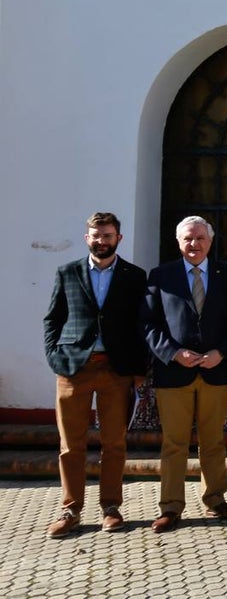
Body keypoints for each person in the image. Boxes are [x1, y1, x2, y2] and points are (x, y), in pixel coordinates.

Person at [42, 212, 148, 538]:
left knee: (114, 443)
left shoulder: (134, 276)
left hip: (116, 370)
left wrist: (139, 370)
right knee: (70, 445)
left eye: (108, 235)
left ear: (119, 238)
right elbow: (53, 319)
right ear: (87, 238)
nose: (102, 241)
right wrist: (55, 358)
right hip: (74, 369)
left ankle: (111, 508)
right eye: (96, 235)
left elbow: (142, 325)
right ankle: (70, 509)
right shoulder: (67, 272)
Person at [141, 216, 227, 533]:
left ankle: (215, 499)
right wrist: (173, 353)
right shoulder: (161, 276)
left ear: (210, 241)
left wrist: (222, 352)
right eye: (188, 238)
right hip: (175, 373)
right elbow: (148, 324)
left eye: (200, 238)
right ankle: (171, 507)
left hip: (216, 370)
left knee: (213, 441)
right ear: (178, 241)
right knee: (174, 444)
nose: (194, 244)